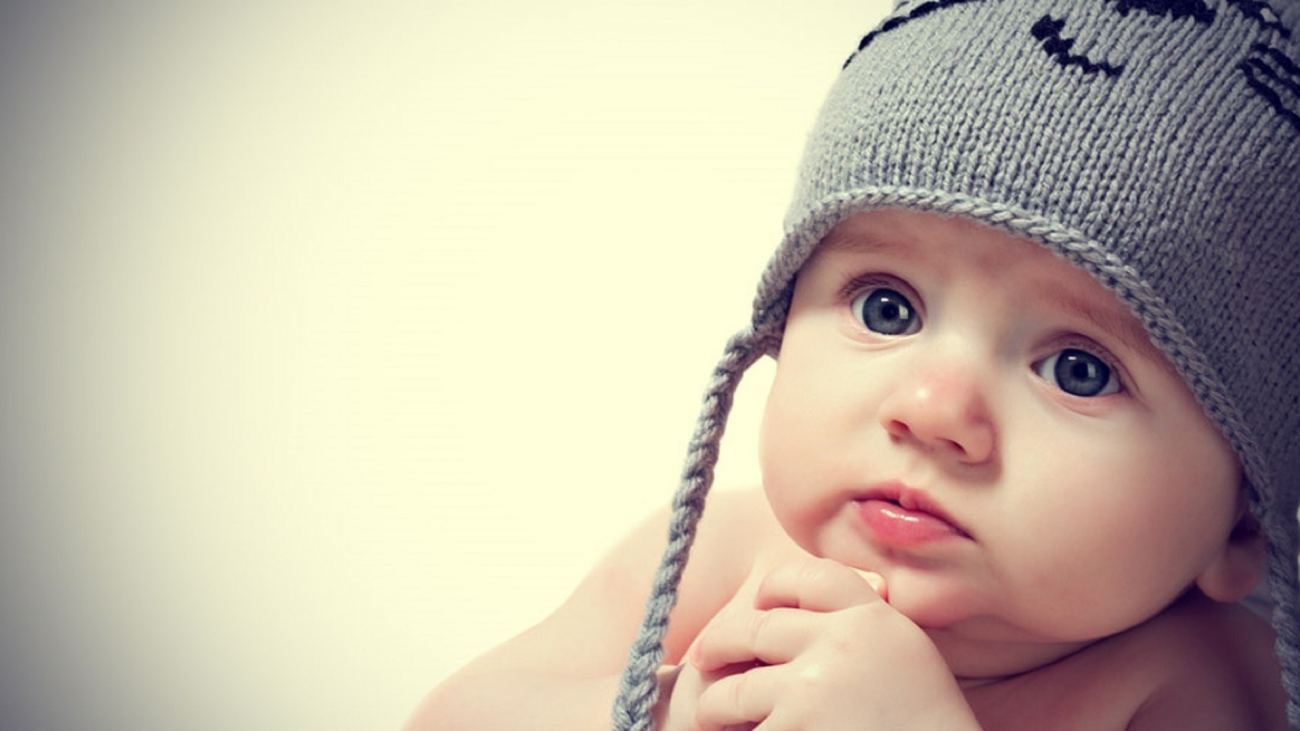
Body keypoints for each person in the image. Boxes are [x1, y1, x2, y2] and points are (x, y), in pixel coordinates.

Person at [407, 0, 1300, 728]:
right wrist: (686, 709)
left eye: (1079, 369)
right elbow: (453, 715)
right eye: (888, 307)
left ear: (1243, 526)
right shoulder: (724, 556)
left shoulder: (1190, 685)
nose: (933, 407)